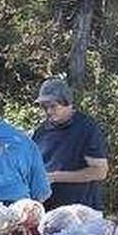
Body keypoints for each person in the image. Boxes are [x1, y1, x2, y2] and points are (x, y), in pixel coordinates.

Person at [32, 77, 110, 210]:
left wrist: (55, 177)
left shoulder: (86, 128)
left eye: (53, 106)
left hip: (80, 213)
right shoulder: (41, 131)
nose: (48, 111)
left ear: (67, 102)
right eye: (44, 107)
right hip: (47, 210)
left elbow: (100, 171)